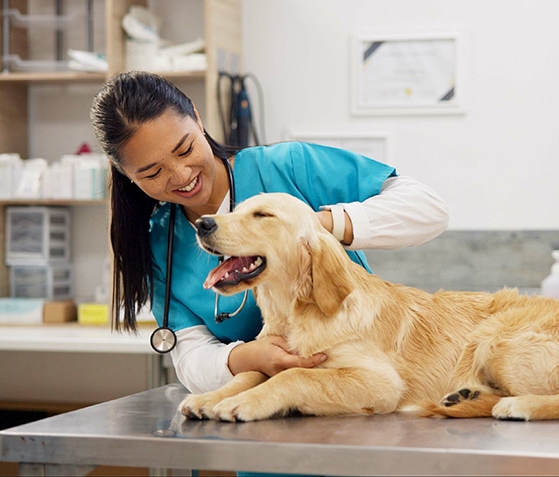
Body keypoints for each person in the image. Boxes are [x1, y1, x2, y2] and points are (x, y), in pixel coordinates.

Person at [90, 71, 449, 394]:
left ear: (197, 119)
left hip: (360, 392)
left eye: (185, 149)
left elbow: (428, 209)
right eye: (153, 173)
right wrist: (247, 358)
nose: (182, 175)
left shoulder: (287, 168)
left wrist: (314, 227)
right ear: (126, 174)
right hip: (260, 412)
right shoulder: (160, 244)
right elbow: (189, 357)